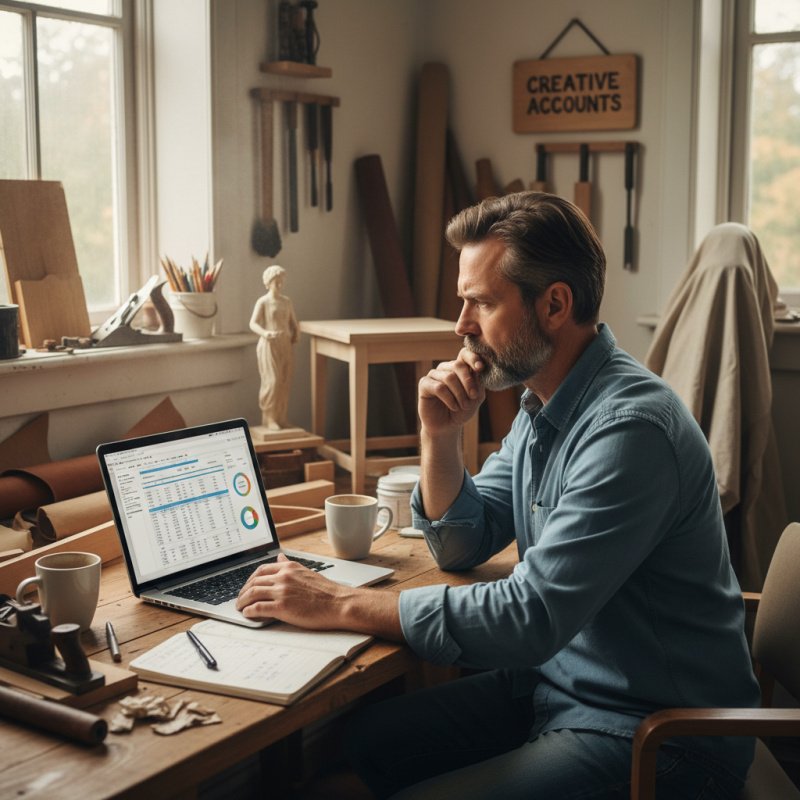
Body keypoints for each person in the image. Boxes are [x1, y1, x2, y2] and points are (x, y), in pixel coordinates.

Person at [237, 193, 760, 798]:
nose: (461, 325)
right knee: (370, 740)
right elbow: (463, 543)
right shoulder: (543, 406)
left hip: (657, 735)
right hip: (560, 687)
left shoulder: (629, 431)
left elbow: (529, 616)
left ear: (555, 304)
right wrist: (440, 436)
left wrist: (339, 603)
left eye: (480, 302)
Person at [249, 265, 299, 430]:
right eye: (276, 281)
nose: (279, 285)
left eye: (281, 281)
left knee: (284, 382)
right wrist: (265, 333)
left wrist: (296, 333)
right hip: (269, 345)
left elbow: (293, 322)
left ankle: (281, 417)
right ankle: (269, 418)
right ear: (269, 282)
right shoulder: (263, 302)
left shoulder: (286, 301)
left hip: (284, 345)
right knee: (272, 382)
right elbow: (253, 323)